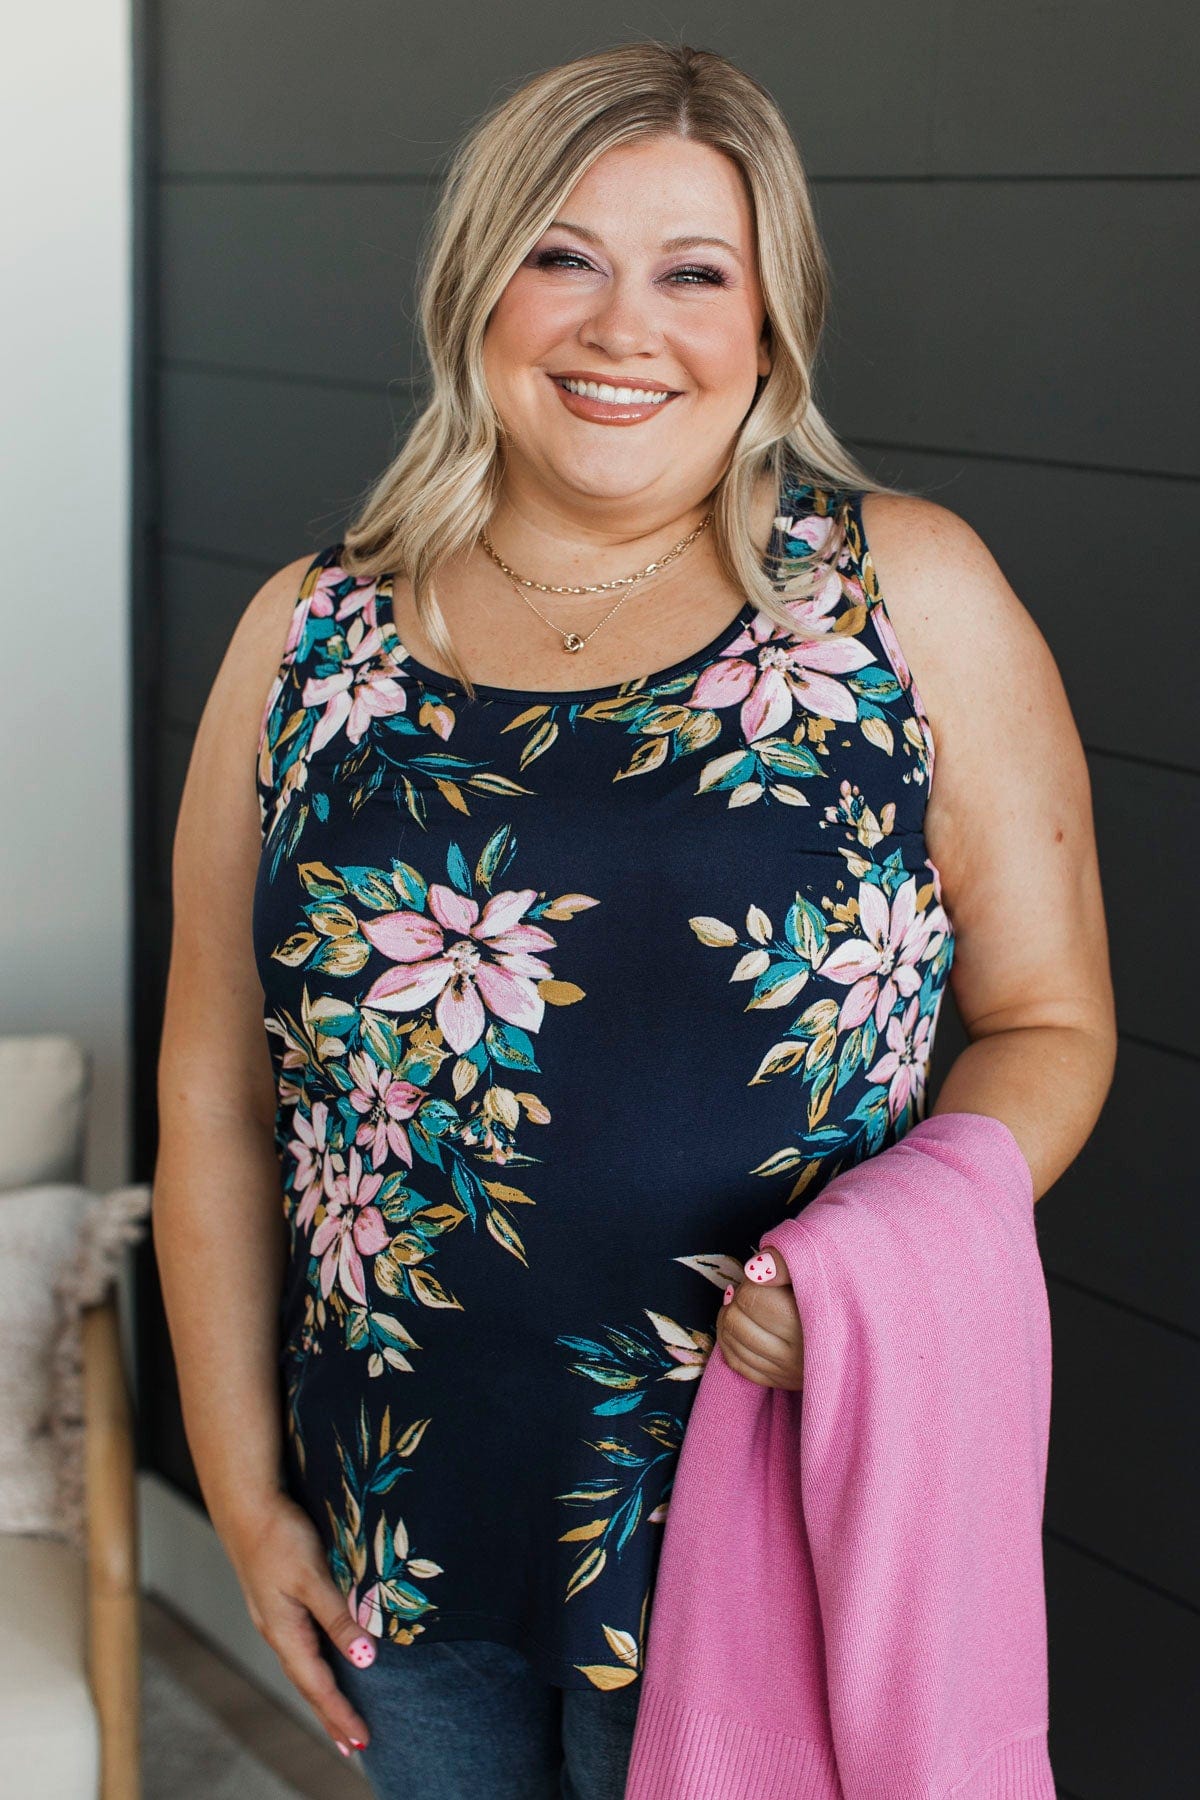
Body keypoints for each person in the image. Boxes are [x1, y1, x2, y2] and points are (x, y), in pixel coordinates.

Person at [152, 37, 1117, 1800]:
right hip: (401, 1512)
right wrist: (239, 1485)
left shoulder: (901, 593)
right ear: (475, 283)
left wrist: (870, 1269)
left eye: (694, 273)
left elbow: (1053, 1023)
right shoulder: (307, 636)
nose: (624, 327)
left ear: (771, 324)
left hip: (761, 1493)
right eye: (563, 256)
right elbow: (217, 1091)